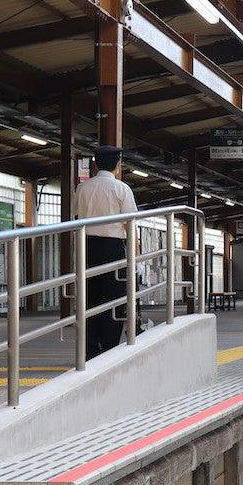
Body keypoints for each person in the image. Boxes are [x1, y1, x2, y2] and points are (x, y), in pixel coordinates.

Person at [75, 145, 138, 359]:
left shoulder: (82, 189)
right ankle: (109, 349)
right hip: (113, 248)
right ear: (118, 165)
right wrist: (134, 258)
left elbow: (76, 217)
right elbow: (130, 225)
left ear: (95, 164)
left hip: (87, 247)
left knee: (90, 299)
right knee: (114, 299)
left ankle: (90, 350)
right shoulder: (121, 189)